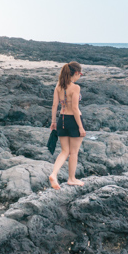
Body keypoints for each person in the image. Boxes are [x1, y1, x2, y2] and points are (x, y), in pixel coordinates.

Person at [49, 61, 85, 189]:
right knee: (74, 152)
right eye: (80, 74)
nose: (80, 76)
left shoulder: (58, 86)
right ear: (76, 73)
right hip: (74, 121)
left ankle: (54, 174)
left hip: (61, 119)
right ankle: (72, 179)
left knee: (64, 151)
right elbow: (75, 108)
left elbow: (54, 105)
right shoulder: (75, 87)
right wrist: (80, 127)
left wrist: (53, 122)